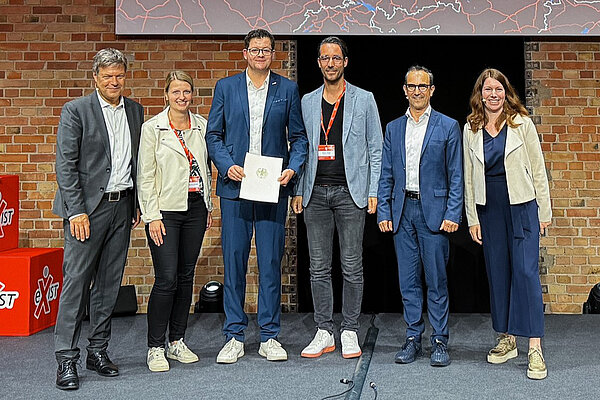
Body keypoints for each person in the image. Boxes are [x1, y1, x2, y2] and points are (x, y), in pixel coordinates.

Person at [206, 29, 308, 364]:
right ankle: (234, 334)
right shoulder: (226, 87)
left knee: (269, 264)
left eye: (266, 49)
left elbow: (299, 138)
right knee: (234, 263)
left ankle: (269, 335)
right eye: (255, 49)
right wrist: (225, 165)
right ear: (245, 53)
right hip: (235, 188)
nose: (261, 54)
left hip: (271, 189)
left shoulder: (288, 89)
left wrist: (292, 170)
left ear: (273, 54)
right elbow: (213, 135)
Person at [52, 48, 143, 390]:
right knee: (76, 283)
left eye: (119, 75)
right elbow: (65, 164)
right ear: (95, 78)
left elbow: (136, 161)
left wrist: (136, 204)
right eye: (107, 76)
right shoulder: (76, 110)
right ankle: (66, 359)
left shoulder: (135, 110)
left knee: (108, 285)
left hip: (122, 207)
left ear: (125, 76)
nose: (114, 81)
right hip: (87, 210)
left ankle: (98, 351)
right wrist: (76, 210)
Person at [292, 36, 382, 359]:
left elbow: (376, 148)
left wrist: (373, 191)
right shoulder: (307, 101)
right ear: (318, 63)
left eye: (336, 58)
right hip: (315, 192)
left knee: (351, 266)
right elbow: (300, 149)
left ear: (345, 61)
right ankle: (323, 330)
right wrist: (299, 190)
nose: (330, 63)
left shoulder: (364, 99)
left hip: (350, 192)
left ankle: (350, 330)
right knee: (318, 267)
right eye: (325, 58)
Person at [463, 68, 551, 380]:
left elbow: (538, 168)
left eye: (498, 89)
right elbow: (468, 178)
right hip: (490, 209)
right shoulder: (471, 128)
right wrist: (472, 217)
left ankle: (535, 346)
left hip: (523, 205)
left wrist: (544, 211)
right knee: (498, 272)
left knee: (526, 273)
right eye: (488, 89)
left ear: (506, 92)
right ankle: (507, 339)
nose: (493, 94)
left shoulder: (522, 123)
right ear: (480, 94)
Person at [377, 66, 463, 367]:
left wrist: (453, 212)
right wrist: (384, 211)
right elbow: (386, 173)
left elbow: (456, 175)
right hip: (403, 212)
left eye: (422, 86)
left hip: (435, 214)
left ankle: (440, 340)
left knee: (437, 280)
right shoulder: (393, 128)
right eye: (412, 86)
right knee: (408, 281)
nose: (417, 91)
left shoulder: (448, 126)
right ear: (404, 89)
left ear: (432, 90)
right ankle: (413, 337)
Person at [137, 71, 213, 372]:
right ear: (166, 95)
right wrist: (151, 216)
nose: (182, 97)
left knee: (185, 276)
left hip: (195, 208)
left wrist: (209, 206)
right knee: (166, 278)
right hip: (165, 212)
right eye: (176, 92)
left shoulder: (202, 126)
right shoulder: (152, 128)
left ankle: (176, 340)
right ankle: (155, 346)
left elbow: (206, 169)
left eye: (187, 92)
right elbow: (145, 176)